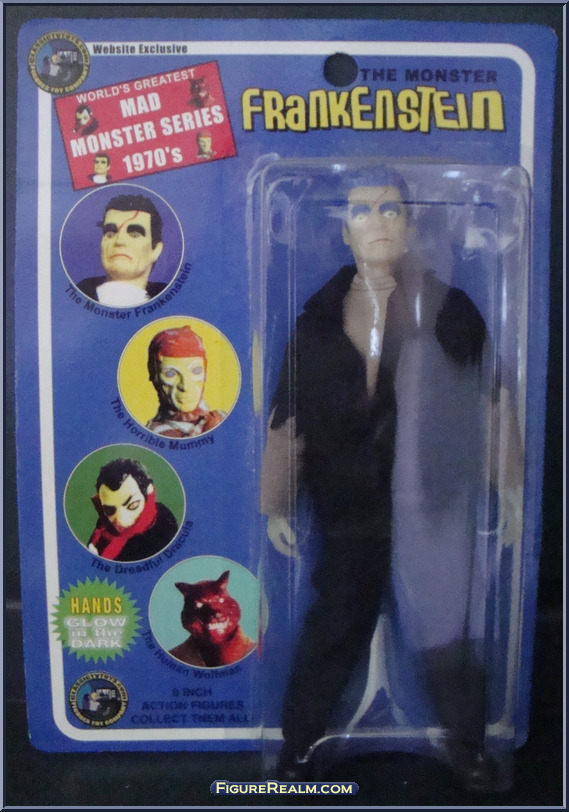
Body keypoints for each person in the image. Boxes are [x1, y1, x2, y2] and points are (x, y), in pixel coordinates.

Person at [262, 167, 522, 788]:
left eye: (389, 210)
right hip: (347, 504)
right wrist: (277, 501)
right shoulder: (319, 319)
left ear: (408, 224)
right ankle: (299, 747)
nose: (376, 223)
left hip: (431, 502)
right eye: (361, 211)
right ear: (344, 231)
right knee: (336, 625)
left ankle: (466, 745)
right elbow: (288, 416)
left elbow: (491, 401)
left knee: (443, 628)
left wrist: (506, 484)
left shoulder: (450, 310)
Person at [77, 194, 165, 307]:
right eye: (110, 234)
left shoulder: (172, 301)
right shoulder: (78, 295)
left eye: (134, 234)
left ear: (156, 250)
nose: (119, 241)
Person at [87, 458, 178, 561]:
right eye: (109, 510)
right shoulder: (103, 527)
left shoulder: (163, 529)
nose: (122, 521)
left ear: (148, 492)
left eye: (133, 505)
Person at [146, 325, 226, 438]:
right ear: (155, 376)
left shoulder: (221, 419)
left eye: (196, 370)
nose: (185, 386)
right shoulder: (155, 434)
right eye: (170, 374)